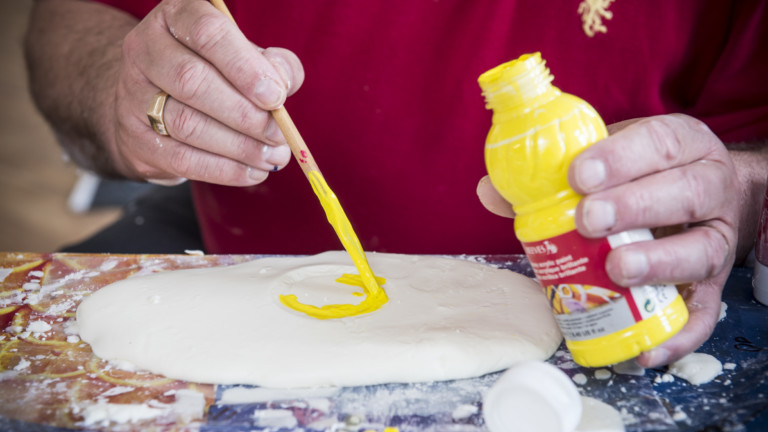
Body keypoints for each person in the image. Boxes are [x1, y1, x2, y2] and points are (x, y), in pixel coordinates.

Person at [25, 0, 768, 369]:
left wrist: (743, 187)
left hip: (621, 299)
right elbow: (66, 23)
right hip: (241, 261)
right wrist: (119, 91)